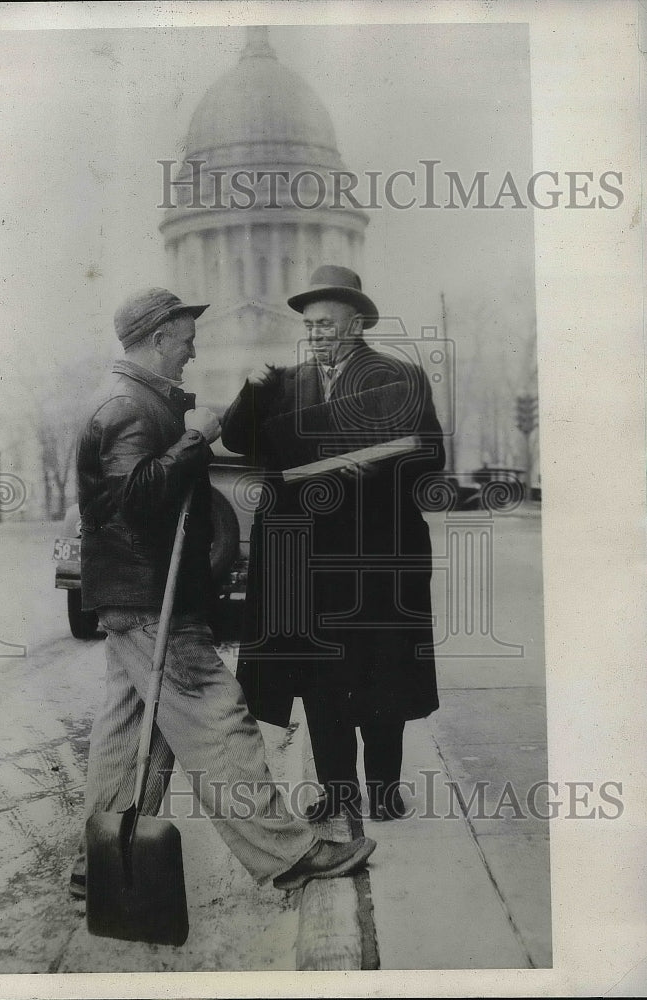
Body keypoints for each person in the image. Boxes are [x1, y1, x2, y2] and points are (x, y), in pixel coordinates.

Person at [70, 285, 375, 900]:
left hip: (138, 595)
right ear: (157, 340)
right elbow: (135, 498)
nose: (190, 351)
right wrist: (195, 437)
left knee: (135, 730)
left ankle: (98, 865)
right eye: (184, 341)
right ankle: (289, 853)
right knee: (220, 721)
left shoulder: (138, 399)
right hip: (154, 599)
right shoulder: (128, 407)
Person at [221, 265, 445, 822]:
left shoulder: (398, 378)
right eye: (310, 324)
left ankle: (387, 789)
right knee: (320, 679)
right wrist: (249, 388)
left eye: (326, 323)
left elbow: (429, 458)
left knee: (381, 672)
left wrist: (356, 468)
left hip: (375, 557)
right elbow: (233, 438)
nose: (316, 332)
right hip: (308, 565)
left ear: (357, 323)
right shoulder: (282, 383)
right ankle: (338, 791)